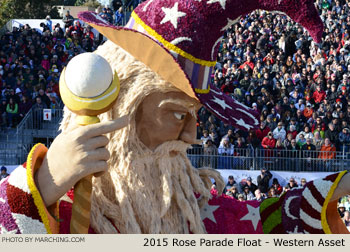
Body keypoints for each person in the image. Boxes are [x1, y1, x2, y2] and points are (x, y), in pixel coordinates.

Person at [1, 0, 350, 235]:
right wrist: (43, 184)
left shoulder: (192, 213)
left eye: (194, 116)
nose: (190, 136)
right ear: (120, 105)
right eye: (178, 114)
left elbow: (260, 222)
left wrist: (337, 187)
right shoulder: (55, 211)